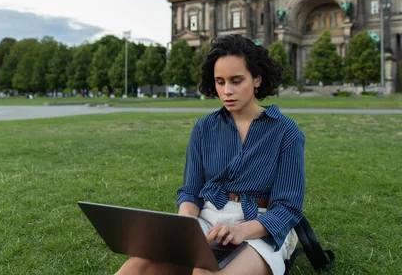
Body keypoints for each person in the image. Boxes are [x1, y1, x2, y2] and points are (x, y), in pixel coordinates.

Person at [116, 34, 305, 275]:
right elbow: (191, 190)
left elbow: (287, 208)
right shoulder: (204, 128)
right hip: (207, 218)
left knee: (205, 272)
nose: (227, 91)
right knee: (136, 265)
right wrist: (185, 223)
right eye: (220, 81)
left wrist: (240, 231)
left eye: (237, 80)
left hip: (260, 227)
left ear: (257, 79)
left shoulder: (286, 131)